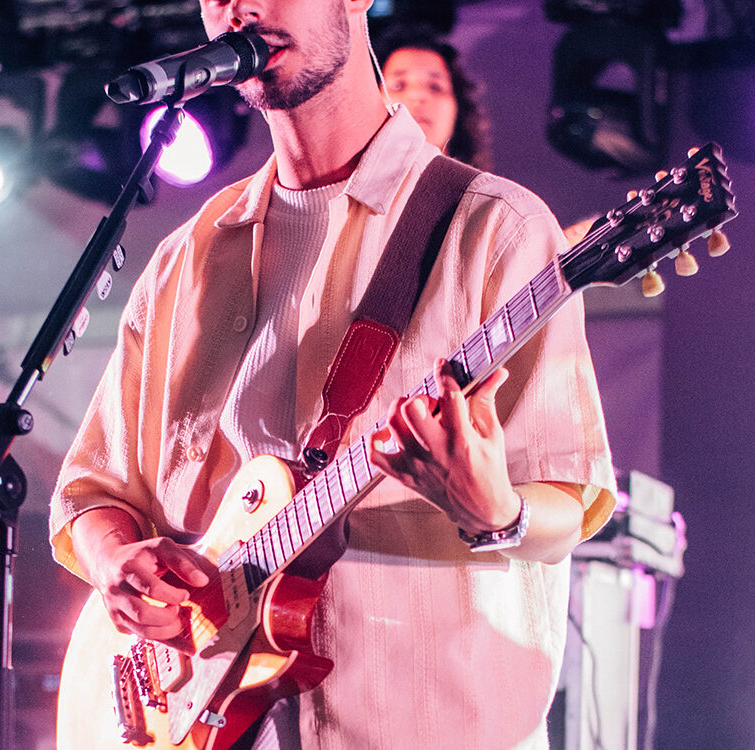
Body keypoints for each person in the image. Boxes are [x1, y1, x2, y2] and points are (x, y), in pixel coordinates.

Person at [50, 1, 616, 748]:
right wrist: (118, 562)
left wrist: (496, 507)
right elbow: (94, 491)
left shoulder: (496, 228)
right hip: (190, 715)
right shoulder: (186, 259)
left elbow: (572, 494)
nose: (240, 8)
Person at [375, 23, 494, 171]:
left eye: (435, 87)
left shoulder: (491, 193)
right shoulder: (341, 193)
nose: (418, 96)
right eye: (399, 85)